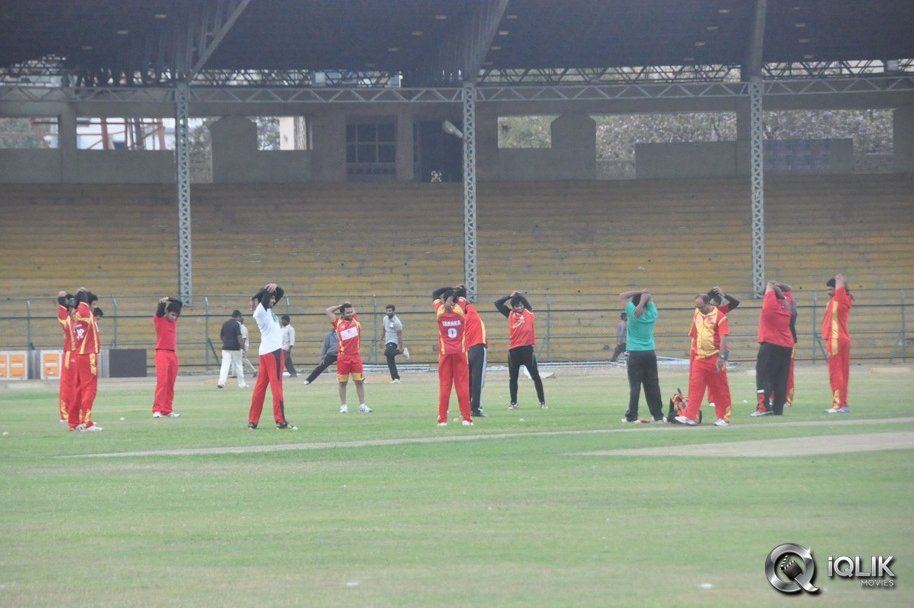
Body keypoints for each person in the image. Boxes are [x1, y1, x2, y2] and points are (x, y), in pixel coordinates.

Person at [675, 293, 732, 427]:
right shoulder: (697, 313)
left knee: (719, 389)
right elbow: (694, 335)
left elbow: (723, 338)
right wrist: (694, 354)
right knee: (695, 387)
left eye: (701, 307)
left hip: (714, 356)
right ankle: (690, 416)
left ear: (709, 304)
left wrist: (721, 357)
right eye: (697, 307)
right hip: (700, 357)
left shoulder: (720, 317)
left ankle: (724, 417)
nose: (699, 309)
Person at [247, 283, 294, 429]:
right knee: (276, 386)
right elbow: (267, 296)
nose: (274, 300)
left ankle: (253, 421)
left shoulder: (266, 310)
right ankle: (280, 420)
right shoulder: (261, 311)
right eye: (271, 298)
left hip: (265, 352)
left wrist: (275, 286)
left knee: (260, 387)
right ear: (265, 299)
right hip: (274, 352)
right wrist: (266, 290)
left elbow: (281, 291)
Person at [494, 291, 546, 409]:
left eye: (521, 304)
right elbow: (497, 303)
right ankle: (513, 403)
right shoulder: (510, 314)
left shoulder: (528, 313)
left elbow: (526, 304)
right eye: (517, 305)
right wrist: (510, 296)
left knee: (535, 376)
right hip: (514, 351)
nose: (520, 307)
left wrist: (519, 296)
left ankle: (542, 402)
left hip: (527, 349)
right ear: (513, 307)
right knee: (513, 378)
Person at [619, 290, 664, 423]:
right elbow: (649, 296)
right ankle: (658, 416)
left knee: (635, 386)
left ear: (633, 302)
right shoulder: (652, 313)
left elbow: (622, 295)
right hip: (650, 352)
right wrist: (644, 298)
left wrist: (639, 292)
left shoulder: (632, 312)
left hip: (635, 352)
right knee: (653, 385)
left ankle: (632, 416)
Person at [751, 281, 794, 417]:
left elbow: (769, 286)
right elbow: (788, 288)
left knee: (764, 377)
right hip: (786, 346)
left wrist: (772, 286)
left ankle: (763, 407)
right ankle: (778, 409)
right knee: (781, 378)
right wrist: (780, 290)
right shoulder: (787, 305)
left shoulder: (770, 307)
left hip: (770, 345)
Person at [433, 288, 473, 426]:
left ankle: (442, 420)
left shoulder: (439, 310)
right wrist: (454, 292)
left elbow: (435, 293)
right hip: (460, 353)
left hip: (445, 354)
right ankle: (466, 419)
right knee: (462, 387)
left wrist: (448, 293)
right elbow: (463, 291)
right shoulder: (460, 308)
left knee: (445, 386)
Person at [326, 301, 371, 414]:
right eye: (348, 312)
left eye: (351, 312)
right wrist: (339, 305)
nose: (351, 314)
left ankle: (362, 405)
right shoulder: (337, 322)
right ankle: (343, 406)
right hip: (343, 357)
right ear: (342, 313)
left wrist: (349, 305)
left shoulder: (355, 319)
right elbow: (328, 311)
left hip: (355, 357)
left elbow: (351, 305)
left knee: (359, 382)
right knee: (342, 383)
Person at [69, 287, 102, 431]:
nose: (95, 308)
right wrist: (83, 293)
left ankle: (74, 421)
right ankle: (86, 421)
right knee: (90, 388)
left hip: (80, 354)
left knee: (79, 389)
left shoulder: (76, 314)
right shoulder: (84, 312)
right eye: (92, 304)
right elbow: (83, 302)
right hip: (88, 354)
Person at [455, 285, 488, 417]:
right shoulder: (471, 311)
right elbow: (465, 300)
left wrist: (456, 293)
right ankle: (476, 409)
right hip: (478, 347)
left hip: (467, 350)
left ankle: (466, 407)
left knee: (468, 381)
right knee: (478, 380)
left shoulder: (459, 317)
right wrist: (461, 291)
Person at [823, 273, 853, 413]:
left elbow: (841, 280)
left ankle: (837, 405)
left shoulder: (839, 298)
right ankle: (843, 404)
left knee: (835, 373)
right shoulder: (841, 299)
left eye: (830, 289)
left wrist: (838, 278)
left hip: (835, 339)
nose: (827, 292)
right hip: (842, 339)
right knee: (843, 373)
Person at [152, 296, 182, 418]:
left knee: (170, 383)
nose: (174, 318)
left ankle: (167, 409)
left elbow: (180, 303)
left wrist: (170, 298)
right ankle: (157, 409)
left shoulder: (173, 321)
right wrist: (163, 302)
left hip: (172, 354)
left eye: (176, 316)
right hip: (162, 353)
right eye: (172, 315)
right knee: (162, 382)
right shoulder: (159, 319)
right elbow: (159, 311)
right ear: (167, 312)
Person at [56, 291, 77, 423]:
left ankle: (75, 412)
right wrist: (61, 302)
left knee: (76, 384)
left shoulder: (76, 315)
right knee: (67, 384)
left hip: (78, 353)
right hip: (70, 353)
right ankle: (65, 414)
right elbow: (63, 320)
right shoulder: (67, 318)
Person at [217, 310, 247, 389]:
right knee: (238, 366)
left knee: (224, 366)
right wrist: (243, 347)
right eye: (240, 317)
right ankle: (242, 384)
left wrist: (226, 342)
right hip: (235, 348)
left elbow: (221, 336)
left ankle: (221, 383)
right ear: (238, 316)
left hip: (226, 348)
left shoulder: (225, 323)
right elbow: (239, 337)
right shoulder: (237, 324)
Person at [381, 304, 408, 383]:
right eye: (387, 311)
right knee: (390, 359)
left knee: (387, 352)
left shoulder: (397, 322)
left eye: (390, 311)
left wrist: (400, 347)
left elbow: (399, 336)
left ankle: (403, 351)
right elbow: (383, 329)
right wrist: (381, 340)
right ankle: (395, 378)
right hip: (387, 341)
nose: (388, 312)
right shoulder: (385, 318)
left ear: (393, 311)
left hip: (393, 341)